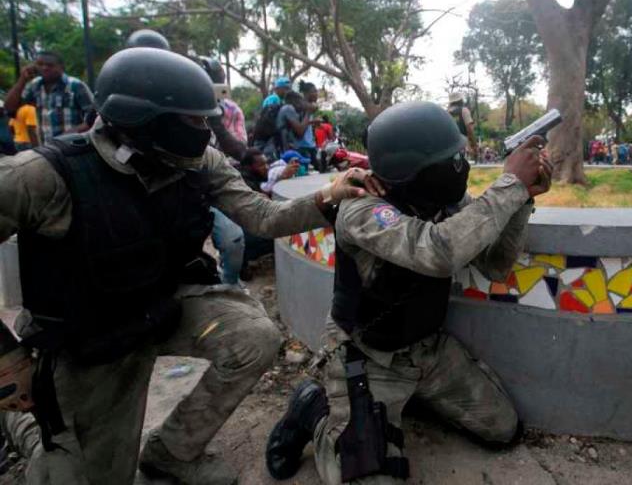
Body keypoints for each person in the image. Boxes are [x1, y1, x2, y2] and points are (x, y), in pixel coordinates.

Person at [0, 47, 373, 485]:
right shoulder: (45, 176)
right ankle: (20, 426)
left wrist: (331, 195)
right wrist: (5, 353)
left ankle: (172, 453)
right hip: (91, 340)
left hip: (161, 306)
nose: (206, 131)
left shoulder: (197, 161)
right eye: (195, 121)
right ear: (147, 121)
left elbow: (261, 215)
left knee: (254, 337)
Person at [264, 101, 552, 483]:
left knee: (503, 430)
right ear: (417, 169)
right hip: (368, 355)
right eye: (453, 157)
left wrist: (523, 198)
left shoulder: (446, 201)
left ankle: (395, 406)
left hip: (427, 350)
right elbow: (437, 252)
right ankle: (313, 409)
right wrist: (509, 184)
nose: (461, 164)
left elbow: (495, 265)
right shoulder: (361, 209)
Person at [4, 51, 94, 144]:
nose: (44, 68)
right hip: (48, 150)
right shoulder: (35, 86)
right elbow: (9, 107)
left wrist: (67, 136)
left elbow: (94, 118)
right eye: (40, 64)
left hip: (74, 148)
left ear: (61, 67)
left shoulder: (75, 86)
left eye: (50, 65)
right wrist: (22, 80)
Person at [447, 92, 477, 161]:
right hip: (462, 143)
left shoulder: (446, 112)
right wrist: (474, 144)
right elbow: (469, 129)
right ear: (461, 100)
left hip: (449, 146)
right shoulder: (464, 110)